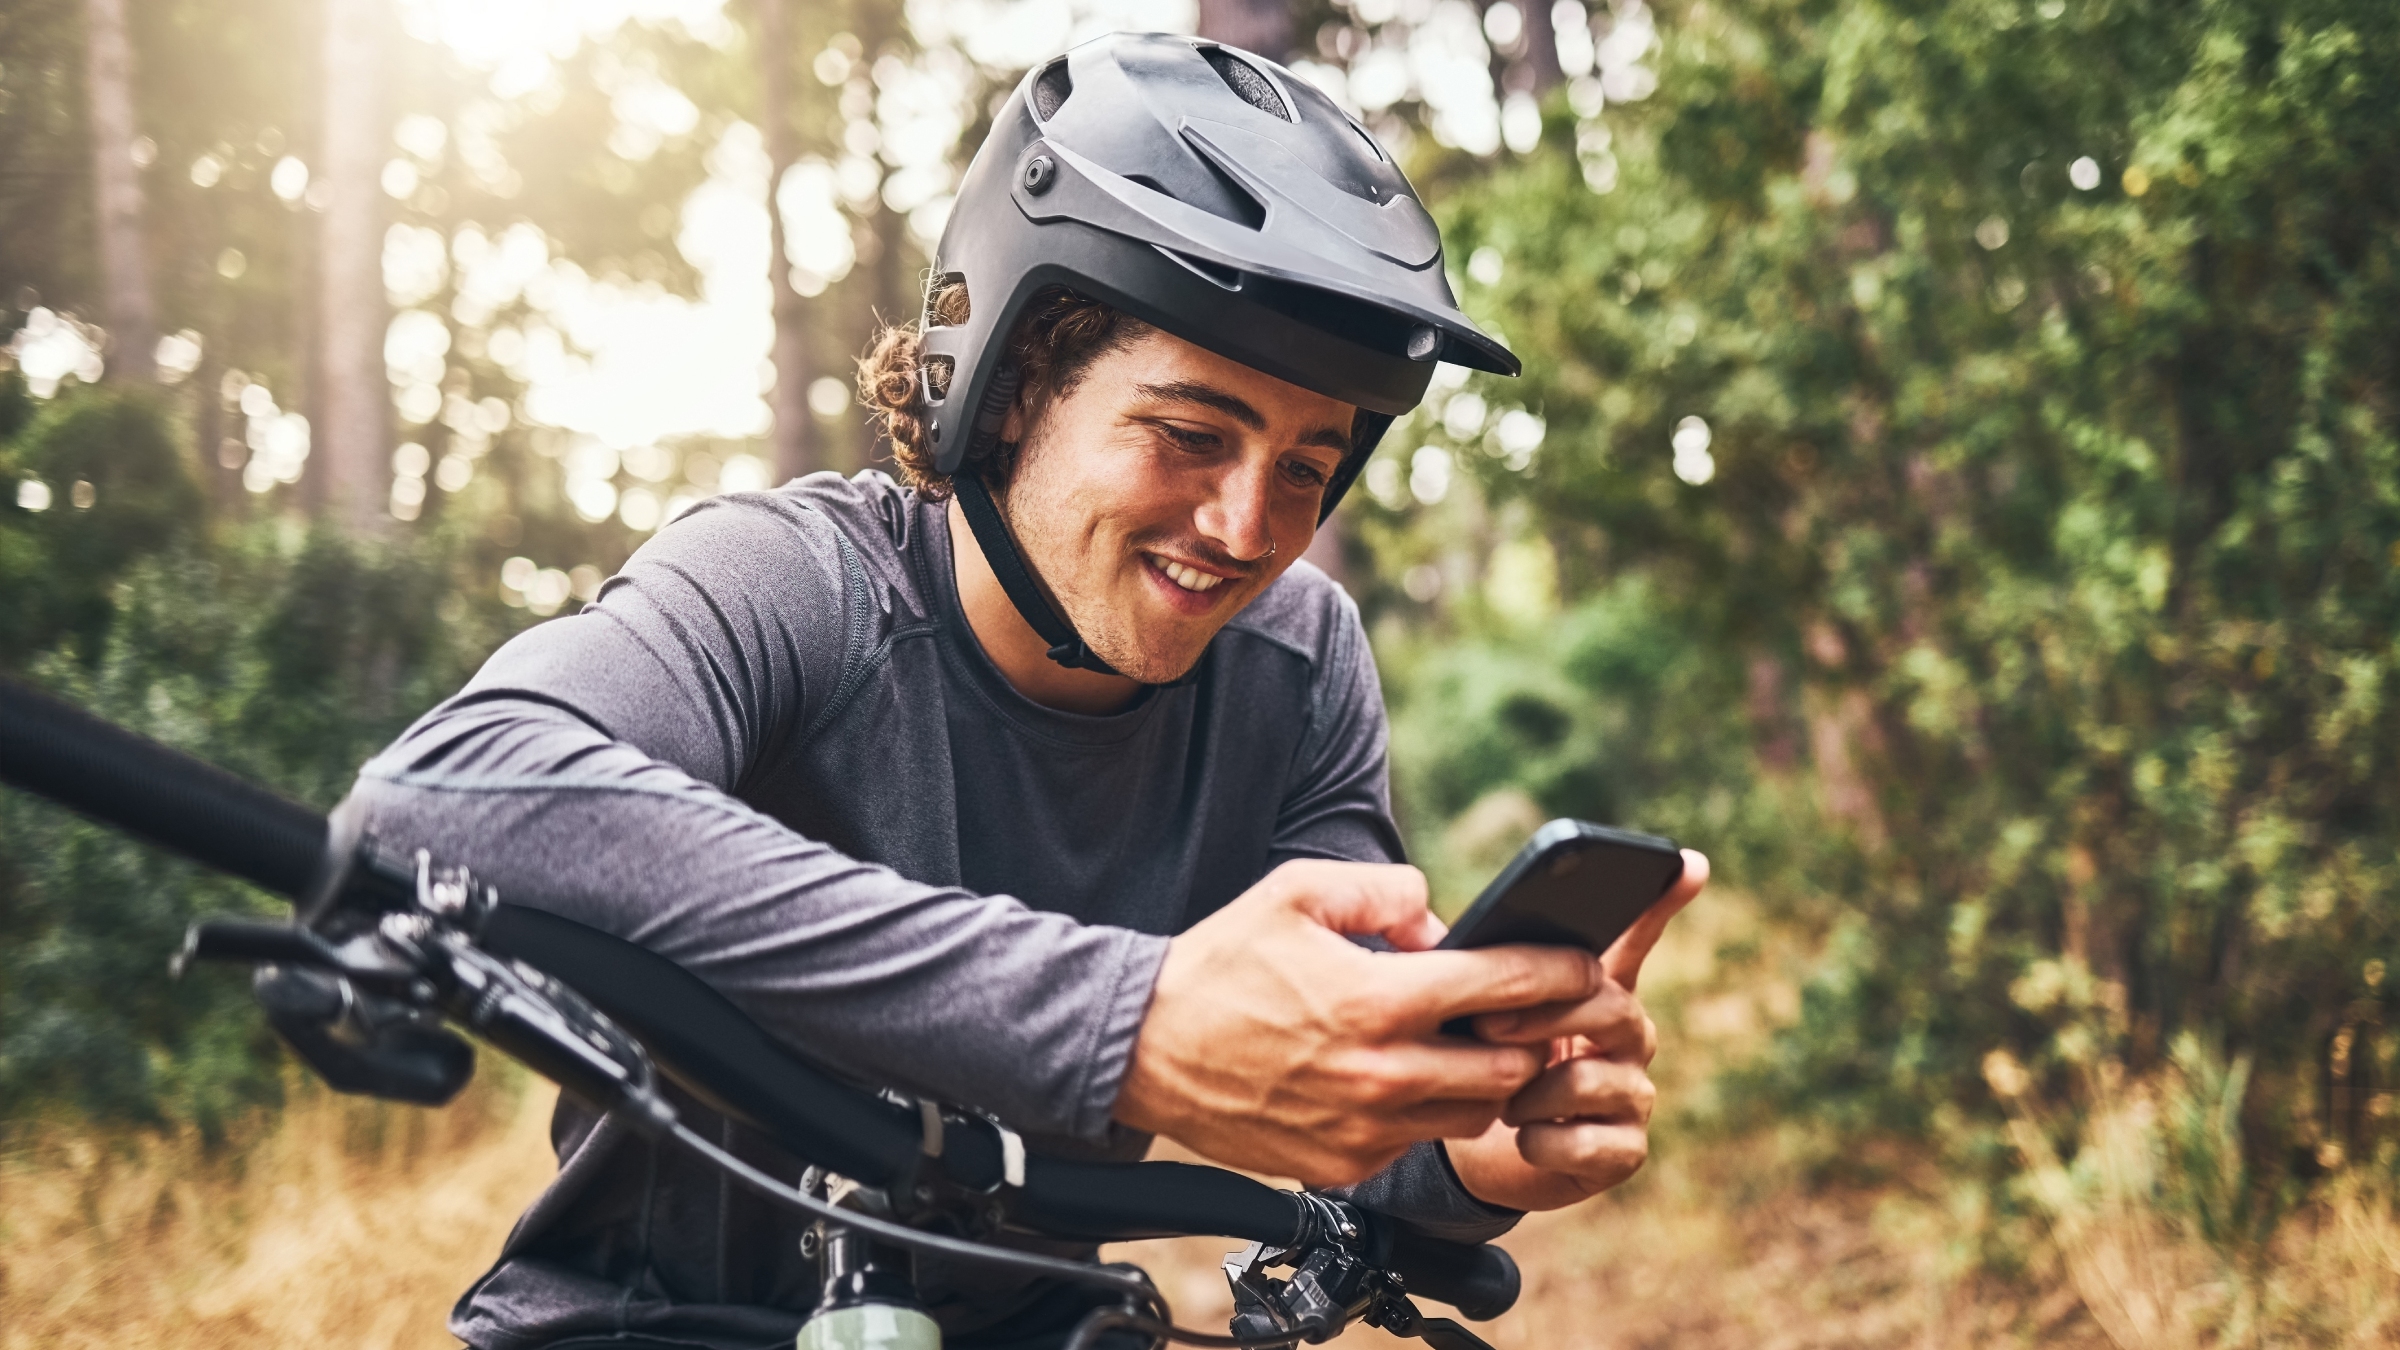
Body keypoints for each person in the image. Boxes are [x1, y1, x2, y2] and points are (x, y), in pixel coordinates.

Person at [345, 32, 1708, 1350]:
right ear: (1005, 390)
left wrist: (1459, 1140)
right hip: (650, 1319)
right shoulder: (797, 583)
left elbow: (1334, 1073)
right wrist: (1124, 1025)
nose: (1247, 526)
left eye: (1307, 463)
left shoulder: (1296, 664)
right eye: (1189, 434)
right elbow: (449, 798)